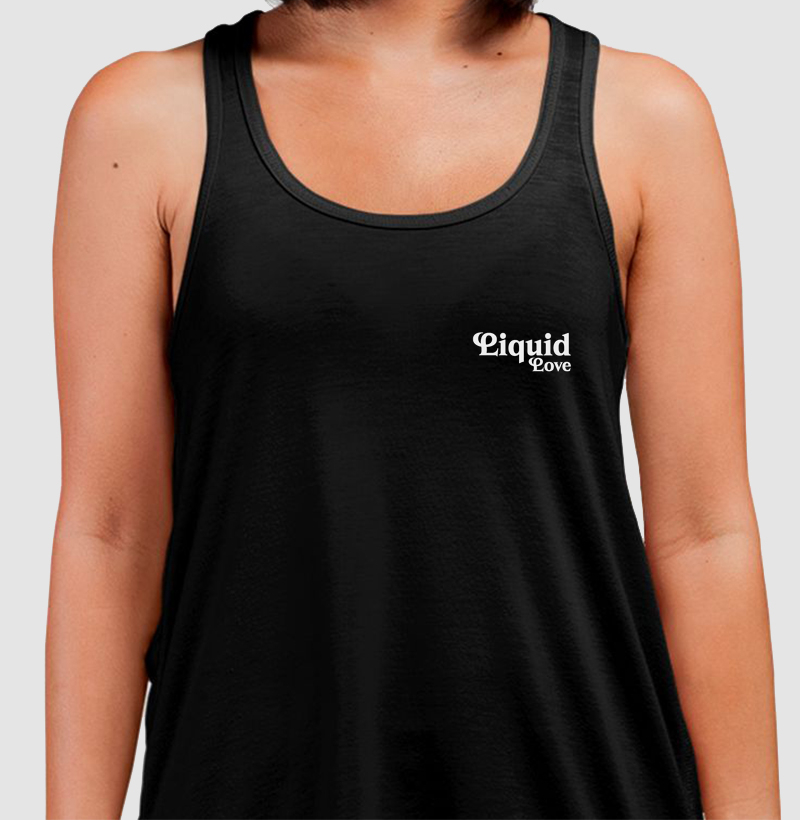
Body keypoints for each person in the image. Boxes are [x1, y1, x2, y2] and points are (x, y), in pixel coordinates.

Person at [46, 0, 780, 818]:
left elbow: (704, 535)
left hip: (585, 782)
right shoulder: (143, 119)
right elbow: (110, 535)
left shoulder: (648, 118)